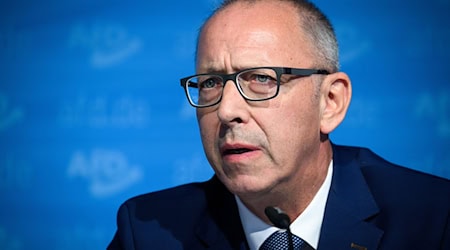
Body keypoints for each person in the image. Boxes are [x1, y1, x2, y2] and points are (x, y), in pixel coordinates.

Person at [107, 0, 450, 249]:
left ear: (330, 102)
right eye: (211, 83)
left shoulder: (431, 219)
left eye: (259, 78)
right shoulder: (148, 231)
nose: (227, 111)